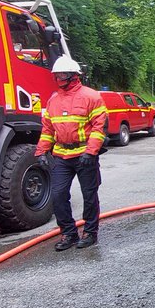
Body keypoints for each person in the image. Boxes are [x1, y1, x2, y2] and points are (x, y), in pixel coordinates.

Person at [35, 56, 108, 250]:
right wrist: (41, 152)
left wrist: (90, 152)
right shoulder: (53, 100)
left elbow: (99, 127)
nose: (59, 78)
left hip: (85, 155)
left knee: (89, 195)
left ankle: (90, 233)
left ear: (74, 75)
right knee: (58, 195)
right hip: (62, 155)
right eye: (57, 75)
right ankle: (68, 233)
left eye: (63, 74)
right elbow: (47, 130)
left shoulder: (91, 97)